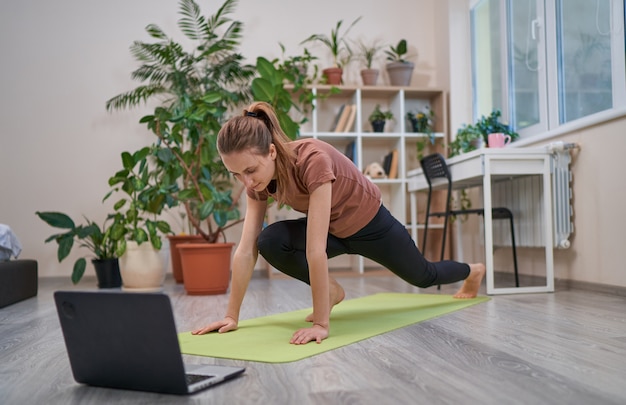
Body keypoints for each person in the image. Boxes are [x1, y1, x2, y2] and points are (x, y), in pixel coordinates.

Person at [192, 101, 485, 345]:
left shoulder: (312, 160)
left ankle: (473, 271)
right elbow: (245, 250)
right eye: (236, 175)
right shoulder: (256, 182)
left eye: (250, 170)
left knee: (424, 276)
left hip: (371, 226)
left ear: (271, 152)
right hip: (334, 229)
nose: (247, 181)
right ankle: (333, 292)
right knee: (269, 241)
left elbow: (315, 250)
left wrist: (321, 324)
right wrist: (232, 315)